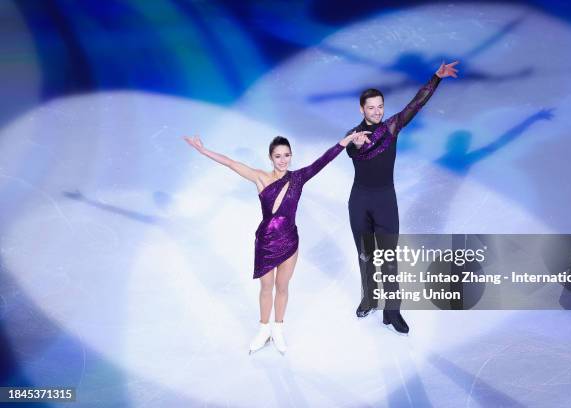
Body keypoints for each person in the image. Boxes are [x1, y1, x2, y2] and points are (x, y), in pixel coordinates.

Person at [184, 130, 370, 354]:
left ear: (291, 156)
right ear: (271, 157)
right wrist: (203, 150)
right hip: (265, 241)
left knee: (282, 287)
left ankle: (278, 330)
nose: (283, 160)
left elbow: (324, 159)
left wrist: (346, 141)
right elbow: (231, 163)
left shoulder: (299, 178)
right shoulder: (260, 177)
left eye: (287, 155)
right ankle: (263, 330)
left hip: (290, 240)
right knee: (266, 288)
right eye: (278, 156)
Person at [345, 61, 459, 334]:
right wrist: (355, 146)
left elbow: (415, 105)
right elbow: (349, 150)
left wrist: (436, 78)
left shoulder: (392, 127)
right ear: (362, 109)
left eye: (379, 106)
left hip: (385, 202)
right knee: (366, 255)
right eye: (370, 107)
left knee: (388, 257)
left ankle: (392, 311)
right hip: (360, 202)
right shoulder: (353, 134)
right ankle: (370, 297)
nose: (376, 111)